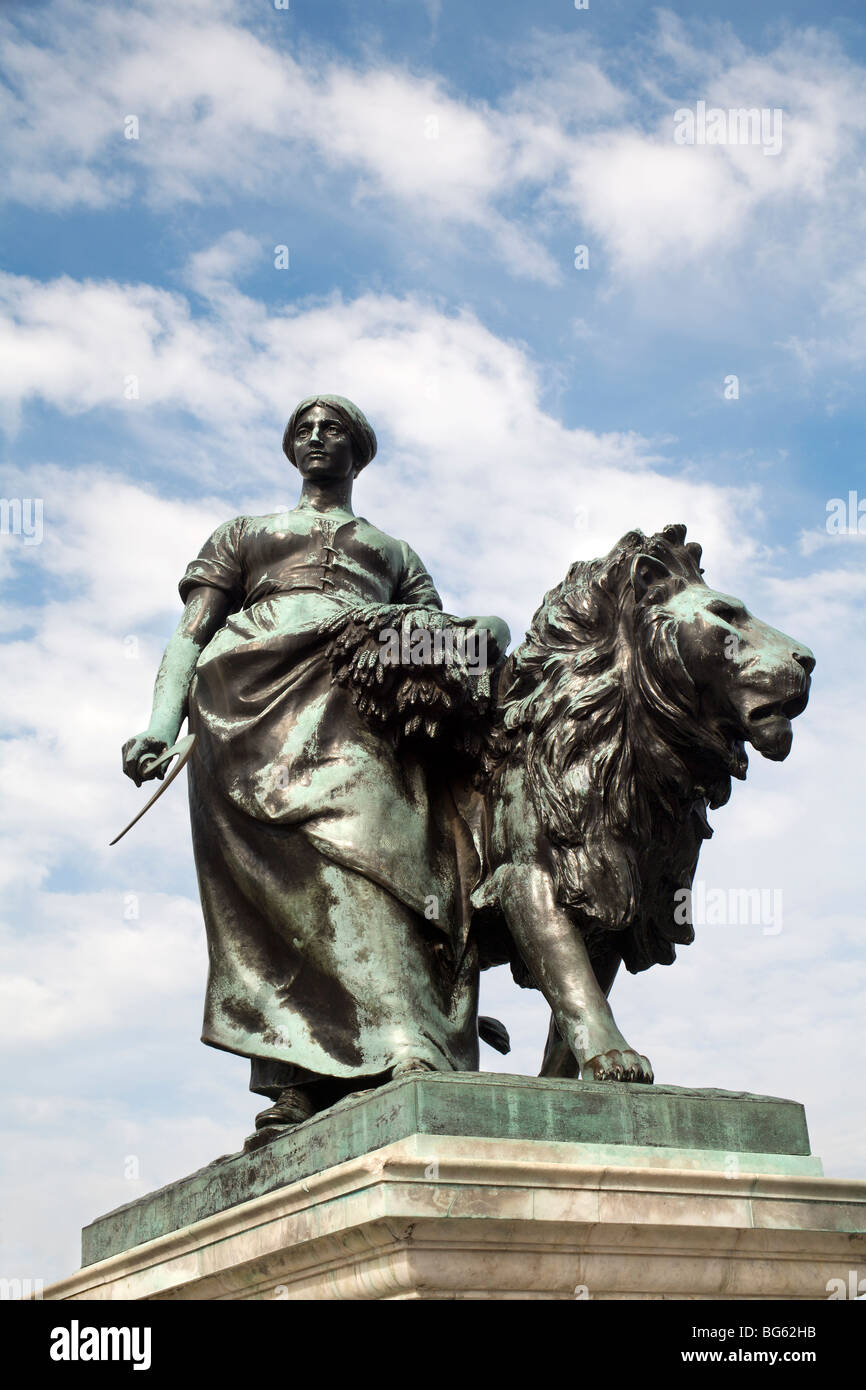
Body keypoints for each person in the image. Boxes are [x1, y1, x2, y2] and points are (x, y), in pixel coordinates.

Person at [122, 395, 510, 1137]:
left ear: (358, 451)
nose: (316, 437)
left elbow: (440, 644)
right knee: (290, 891)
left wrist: (484, 642)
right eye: (304, 428)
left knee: (376, 855)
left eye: (332, 428)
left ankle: (404, 1035)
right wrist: (158, 724)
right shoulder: (246, 533)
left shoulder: (393, 553)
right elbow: (188, 636)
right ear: (290, 448)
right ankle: (302, 1076)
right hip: (247, 712)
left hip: (359, 706)